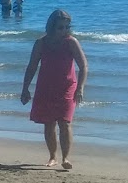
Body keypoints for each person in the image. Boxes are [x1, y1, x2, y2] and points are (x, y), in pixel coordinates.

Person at [21, 9, 88, 171]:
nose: (64, 31)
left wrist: (80, 88)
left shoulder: (71, 42)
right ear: (51, 27)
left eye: (67, 27)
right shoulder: (41, 43)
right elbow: (31, 67)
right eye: (60, 27)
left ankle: (65, 157)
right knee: (49, 123)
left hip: (67, 87)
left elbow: (83, 66)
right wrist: (25, 88)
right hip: (45, 87)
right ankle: (52, 157)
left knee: (65, 122)